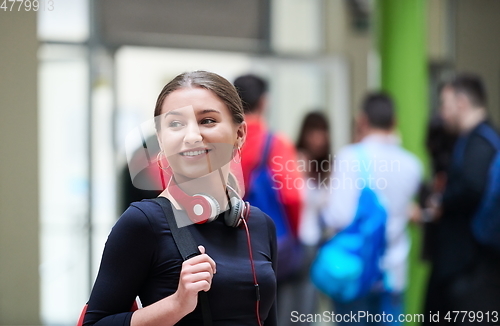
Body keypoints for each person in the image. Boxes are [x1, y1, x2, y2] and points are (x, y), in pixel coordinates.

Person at [83, 71, 278, 326]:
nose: (192, 136)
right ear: (161, 138)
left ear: (239, 133)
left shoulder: (259, 225)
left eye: (208, 120)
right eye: (175, 124)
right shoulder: (143, 223)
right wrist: (176, 305)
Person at [322, 93, 422, 325]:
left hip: (353, 273)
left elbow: (338, 216)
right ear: (394, 122)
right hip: (393, 275)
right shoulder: (412, 165)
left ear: (362, 120)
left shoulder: (350, 157)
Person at [424, 73, 500, 325]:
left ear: (462, 103)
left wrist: (441, 202)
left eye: (445, 105)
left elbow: (471, 188)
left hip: (470, 266)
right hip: (465, 264)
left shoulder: (480, 142)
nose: (442, 113)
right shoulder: (476, 140)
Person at [233, 74, 303, 325]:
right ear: (265, 102)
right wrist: (293, 237)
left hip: (230, 244)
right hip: (270, 247)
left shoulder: (224, 142)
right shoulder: (276, 144)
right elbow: (293, 197)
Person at [294, 111, 332, 325]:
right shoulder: (295, 160)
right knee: (294, 303)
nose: (317, 138)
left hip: (318, 242)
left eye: (322, 132)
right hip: (298, 241)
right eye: (313, 132)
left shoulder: (326, 167)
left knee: (310, 305)